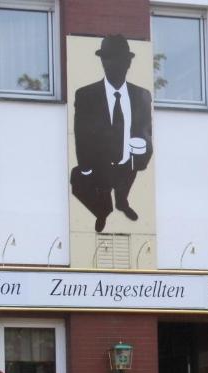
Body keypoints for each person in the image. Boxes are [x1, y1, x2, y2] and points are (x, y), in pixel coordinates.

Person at [71, 34, 153, 233]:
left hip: (128, 162)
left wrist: (143, 154)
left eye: (119, 59)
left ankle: (122, 202)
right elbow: (80, 132)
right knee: (77, 180)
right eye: (108, 58)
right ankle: (102, 210)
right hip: (100, 165)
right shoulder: (86, 95)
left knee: (124, 183)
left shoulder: (141, 96)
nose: (113, 64)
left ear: (128, 63)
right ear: (102, 62)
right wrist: (85, 167)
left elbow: (146, 131)